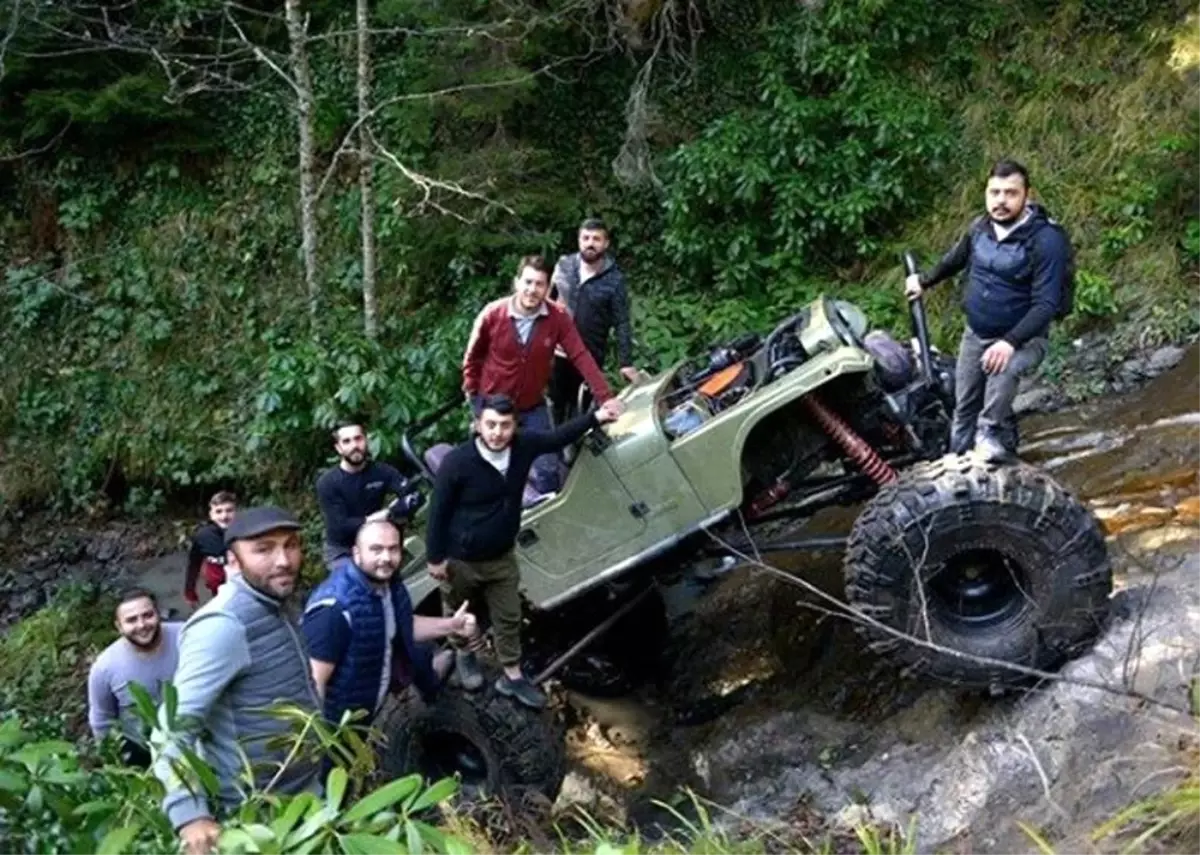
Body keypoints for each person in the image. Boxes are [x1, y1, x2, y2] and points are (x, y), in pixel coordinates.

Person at [424, 393, 624, 709]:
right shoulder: (458, 463)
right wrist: (435, 556)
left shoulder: (523, 446)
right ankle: (464, 655)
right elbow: (438, 512)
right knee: (461, 613)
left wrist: (596, 417)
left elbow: (556, 437)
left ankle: (513, 677)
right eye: (490, 425)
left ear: (514, 426)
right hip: (462, 558)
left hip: (502, 555)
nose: (497, 432)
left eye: (504, 425)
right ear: (477, 425)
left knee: (508, 616)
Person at [152, 506, 323, 855]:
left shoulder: (279, 603)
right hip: (258, 816)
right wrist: (190, 816)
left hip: (307, 796)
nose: (283, 560)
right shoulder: (223, 625)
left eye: (291, 545)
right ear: (233, 559)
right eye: (264, 549)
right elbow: (172, 727)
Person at [904, 159, 1070, 461]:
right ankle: (958, 465)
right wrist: (924, 282)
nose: (1001, 201)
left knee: (1001, 376)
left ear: (1027, 195)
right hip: (976, 333)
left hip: (1025, 339)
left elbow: (1047, 304)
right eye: (994, 193)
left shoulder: (1047, 240)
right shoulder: (980, 227)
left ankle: (991, 441)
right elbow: (954, 260)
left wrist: (1009, 342)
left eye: (1010, 193)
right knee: (964, 405)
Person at [462, 254, 624, 497]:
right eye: (527, 282)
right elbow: (472, 360)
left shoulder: (557, 317)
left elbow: (580, 354)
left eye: (539, 284)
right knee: (493, 471)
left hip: (531, 405)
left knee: (548, 468)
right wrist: (476, 402)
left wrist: (605, 397)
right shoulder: (492, 315)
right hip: (494, 407)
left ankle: (551, 517)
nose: (532, 290)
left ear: (548, 288)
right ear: (517, 283)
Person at [301, 519, 479, 727]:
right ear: (356, 553)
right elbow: (311, 687)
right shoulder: (334, 607)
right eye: (376, 549)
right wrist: (321, 743)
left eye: (393, 549)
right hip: (338, 729)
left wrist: (452, 625)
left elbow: (401, 626)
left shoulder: (388, 585)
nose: (386, 558)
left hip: (365, 711)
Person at [550, 217, 642, 425]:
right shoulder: (564, 266)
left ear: (606, 243)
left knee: (581, 408)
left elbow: (622, 322)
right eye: (586, 238)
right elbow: (547, 300)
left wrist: (625, 362)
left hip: (589, 356)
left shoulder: (614, 280)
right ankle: (554, 448)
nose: (590, 243)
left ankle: (576, 451)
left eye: (596, 239)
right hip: (557, 352)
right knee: (555, 403)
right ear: (579, 240)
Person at [87, 588, 183, 768]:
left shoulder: (186, 636)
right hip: (144, 752)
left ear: (158, 614)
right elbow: (102, 720)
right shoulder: (105, 667)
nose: (141, 625)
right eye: (131, 620)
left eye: (147, 615)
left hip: (197, 734)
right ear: (119, 626)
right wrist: (115, 766)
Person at [316, 421, 422, 568]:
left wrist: (390, 513)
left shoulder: (382, 471)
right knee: (354, 585)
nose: (354, 446)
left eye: (358, 438)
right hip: (343, 549)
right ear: (338, 448)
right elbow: (340, 526)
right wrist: (372, 519)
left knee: (389, 584)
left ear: (366, 440)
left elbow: (414, 495)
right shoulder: (327, 482)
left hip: (378, 542)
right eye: (347, 441)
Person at [183, 491, 237, 609]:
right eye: (219, 511)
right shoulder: (203, 536)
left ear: (236, 512)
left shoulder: (246, 533)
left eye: (229, 510)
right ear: (211, 514)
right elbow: (194, 564)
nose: (224, 516)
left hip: (244, 586)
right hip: (218, 589)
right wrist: (189, 591)